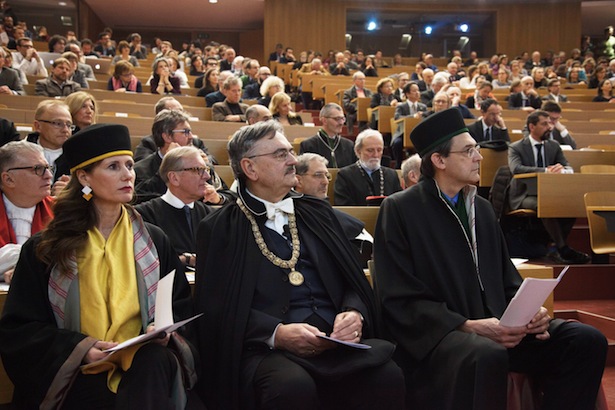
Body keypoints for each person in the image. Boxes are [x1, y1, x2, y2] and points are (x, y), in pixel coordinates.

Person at [375, 107, 607, 410]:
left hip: (500, 330)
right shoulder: (400, 210)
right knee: (486, 354)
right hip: (443, 337)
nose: (480, 157)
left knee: (585, 340)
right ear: (439, 160)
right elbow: (398, 295)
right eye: (469, 150)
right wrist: (466, 325)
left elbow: (506, 278)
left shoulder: (481, 208)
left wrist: (531, 313)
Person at [193, 120, 405, 409]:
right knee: (292, 387)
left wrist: (354, 313)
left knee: (386, 375)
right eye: (281, 155)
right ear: (250, 168)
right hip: (266, 351)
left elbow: (353, 281)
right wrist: (275, 334)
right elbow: (217, 306)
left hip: (336, 342)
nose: (293, 160)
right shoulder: (220, 227)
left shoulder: (317, 213)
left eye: (290, 152)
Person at [0, 123, 202, 409]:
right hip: (77, 371)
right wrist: (80, 348)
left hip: (143, 366)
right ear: (84, 176)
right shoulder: (47, 247)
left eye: (130, 165)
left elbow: (178, 303)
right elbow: (21, 329)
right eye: (113, 167)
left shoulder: (154, 240)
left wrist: (164, 328)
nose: (127, 175)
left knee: (154, 362)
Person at [509, 110, 590, 263]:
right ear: (532, 126)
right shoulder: (516, 147)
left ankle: (555, 247)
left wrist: (563, 170)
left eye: (550, 123)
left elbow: (567, 166)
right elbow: (516, 169)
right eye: (544, 124)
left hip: (551, 192)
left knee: (572, 205)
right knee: (545, 204)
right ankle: (563, 249)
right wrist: (545, 170)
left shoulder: (554, 146)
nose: (550, 127)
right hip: (525, 195)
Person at [136, 146, 215, 269]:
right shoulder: (144, 215)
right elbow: (147, 263)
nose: (206, 176)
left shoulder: (210, 215)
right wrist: (186, 260)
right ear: (174, 178)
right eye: (198, 170)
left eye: (206, 169)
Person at [0, 141, 54, 284]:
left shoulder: (60, 210)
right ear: (8, 179)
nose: (48, 176)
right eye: (38, 169)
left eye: (49, 168)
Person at [334, 129, 402, 206]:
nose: (375, 155)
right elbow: (344, 207)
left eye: (379, 150)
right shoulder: (344, 175)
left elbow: (399, 204)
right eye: (370, 150)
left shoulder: (392, 175)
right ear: (358, 151)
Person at [27, 100, 72, 191]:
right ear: (38, 126)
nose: (65, 130)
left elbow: (90, 195)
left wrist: (74, 192)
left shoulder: (79, 156)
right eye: (58, 123)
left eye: (69, 125)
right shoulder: (20, 155)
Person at [299, 103, 357, 168]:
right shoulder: (308, 145)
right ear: (324, 120)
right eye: (337, 119)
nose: (341, 123)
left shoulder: (349, 145)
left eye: (343, 119)